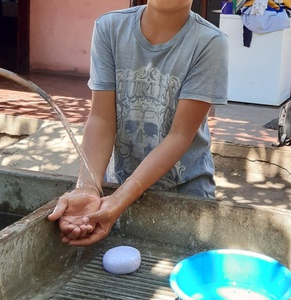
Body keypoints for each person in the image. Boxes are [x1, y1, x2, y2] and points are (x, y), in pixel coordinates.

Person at [48, 1, 229, 244]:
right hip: (119, 183)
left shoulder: (210, 42)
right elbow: (102, 118)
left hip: (186, 192)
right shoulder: (110, 28)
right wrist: (88, 187)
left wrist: (121, 198)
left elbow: (180, 135)